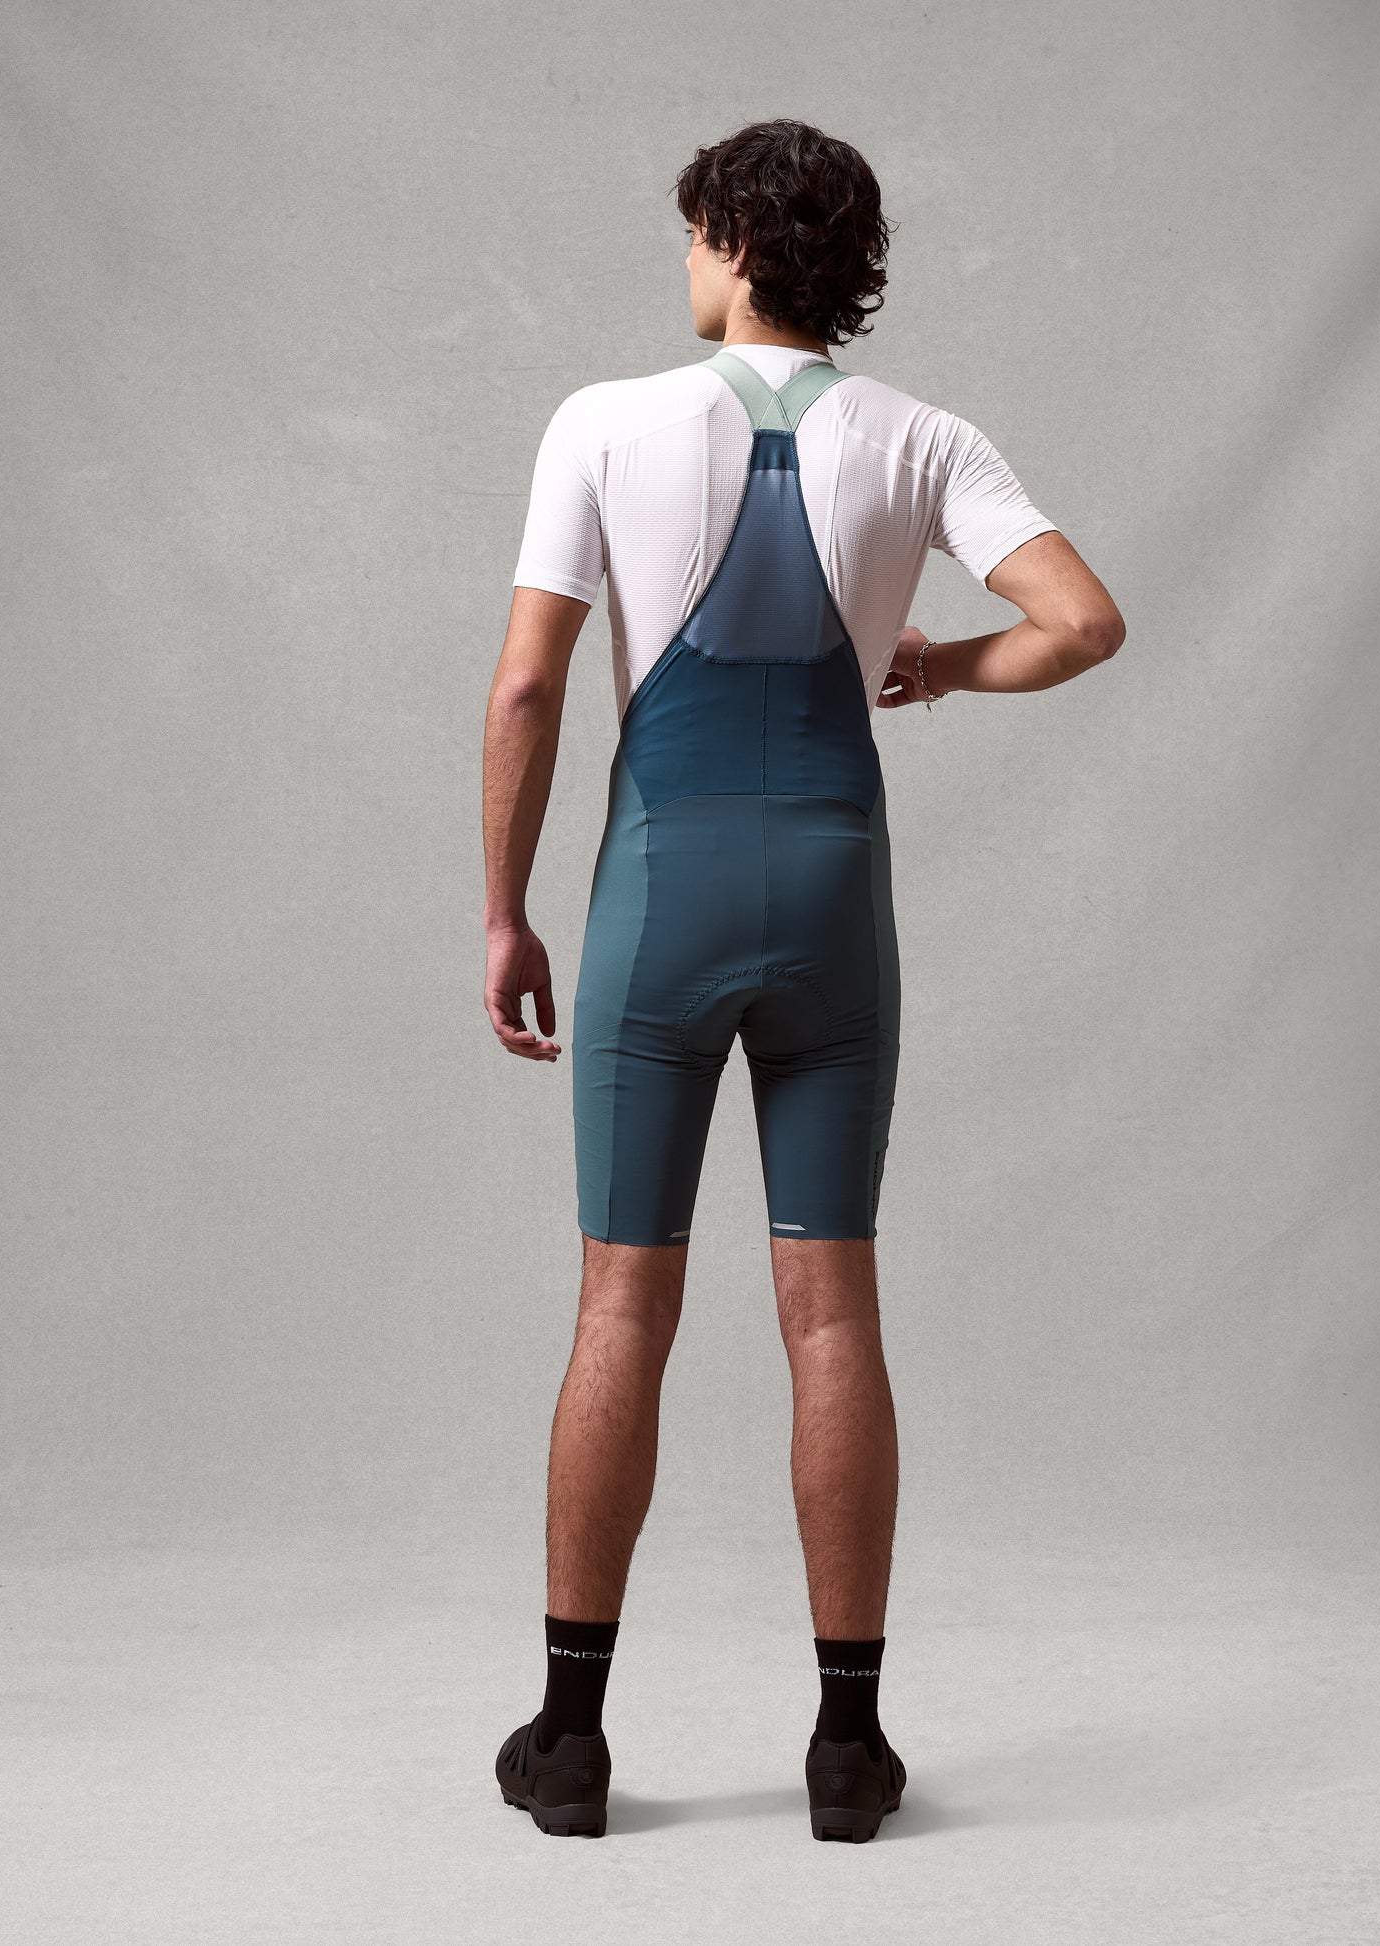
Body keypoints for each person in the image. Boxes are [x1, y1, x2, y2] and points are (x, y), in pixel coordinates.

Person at [481, 119, 1125, 1842]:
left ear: (727, 236)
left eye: (689, 233)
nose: (682, 260)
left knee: (622, 1304)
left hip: (661, 893)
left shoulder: (602, 422)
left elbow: (528, 689)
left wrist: (505, 912)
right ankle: (848, 1748)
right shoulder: (921, 438)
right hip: (837, 892)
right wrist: (943, 669)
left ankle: (569, 1740)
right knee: (830, 1305)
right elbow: (1083, 621)